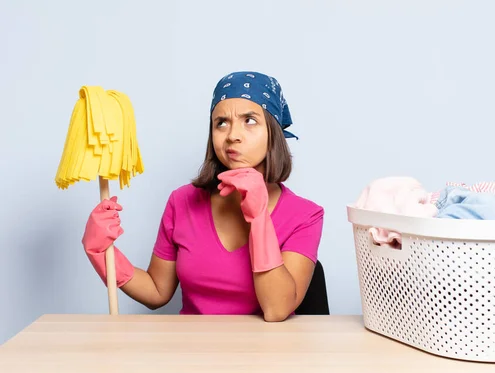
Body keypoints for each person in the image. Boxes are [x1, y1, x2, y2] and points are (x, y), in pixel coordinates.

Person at [81, 71, 325, 322]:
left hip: (268, 357)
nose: (232, 135)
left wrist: (259, 218)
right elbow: (156, 291)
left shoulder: (305, 216)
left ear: (273, 131)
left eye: (250, 120)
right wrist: (101, 252)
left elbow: (276, 310)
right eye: (221, 122)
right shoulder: (182, 202)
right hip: (191, 354)